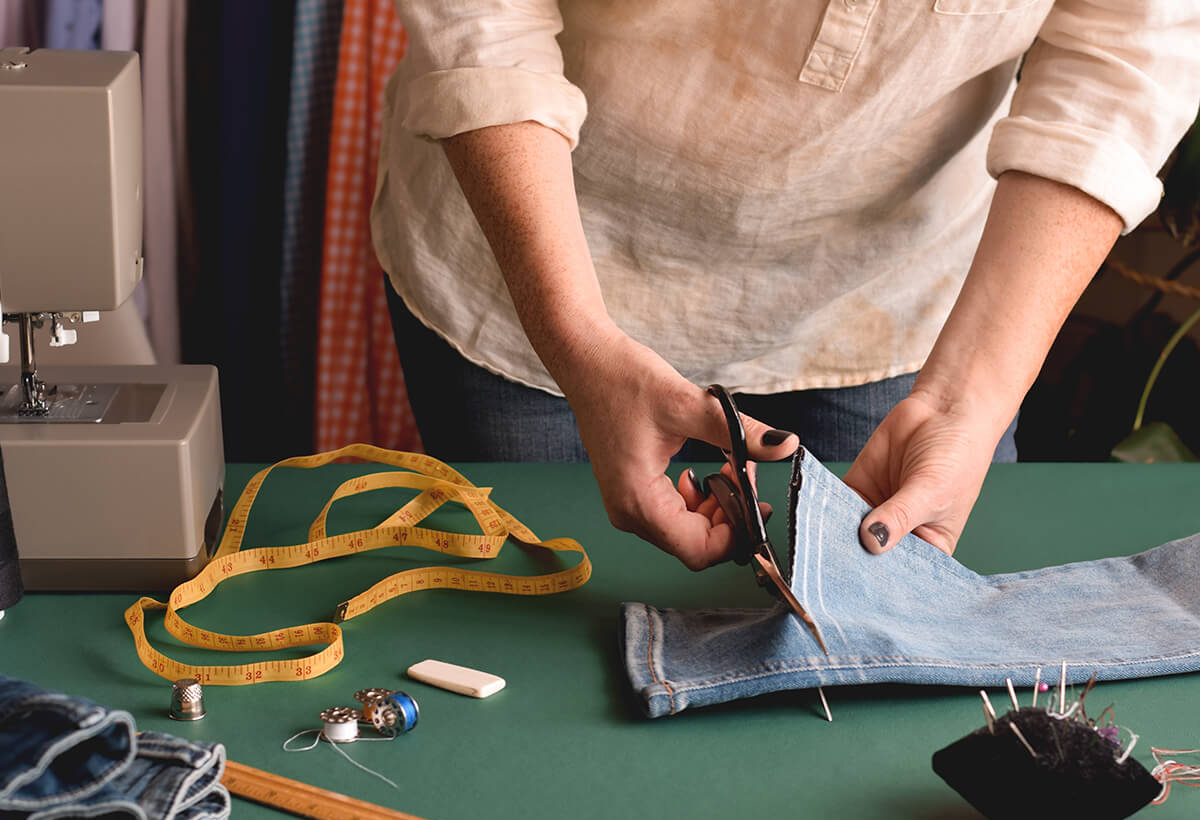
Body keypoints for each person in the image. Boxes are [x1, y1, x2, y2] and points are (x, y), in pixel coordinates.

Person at [371, 1, 1200, 571]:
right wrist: (576, 337)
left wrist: (965, 405)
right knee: (543, 664)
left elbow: (1123, 63)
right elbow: (483, 20)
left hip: (899, 308)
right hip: (543, 259)